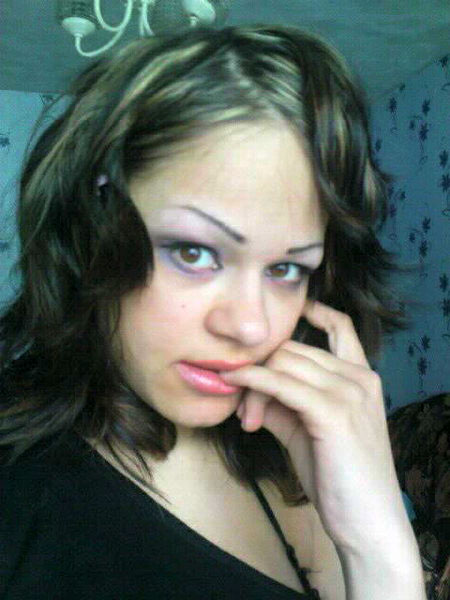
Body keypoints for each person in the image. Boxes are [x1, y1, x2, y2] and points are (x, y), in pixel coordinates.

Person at [0, 23, 426, 599]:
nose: (250, 326)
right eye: (194, 253)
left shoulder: (288, 471)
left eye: (286, 269)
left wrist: (378, 543)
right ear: (91, 233)